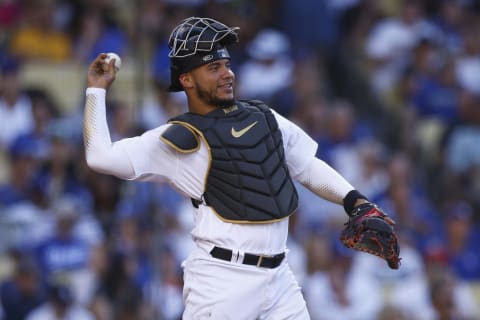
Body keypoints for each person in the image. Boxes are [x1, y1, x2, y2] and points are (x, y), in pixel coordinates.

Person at [83, 16, 389, 319]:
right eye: (213, 68)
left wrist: (355, 201)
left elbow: (306, 166)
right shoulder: (178, 138)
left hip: (280, 277)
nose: (227, 74)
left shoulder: (264, 117)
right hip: (222, 281)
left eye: (227, 65)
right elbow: (100, 157)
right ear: (186, 79)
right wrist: (96, 91)